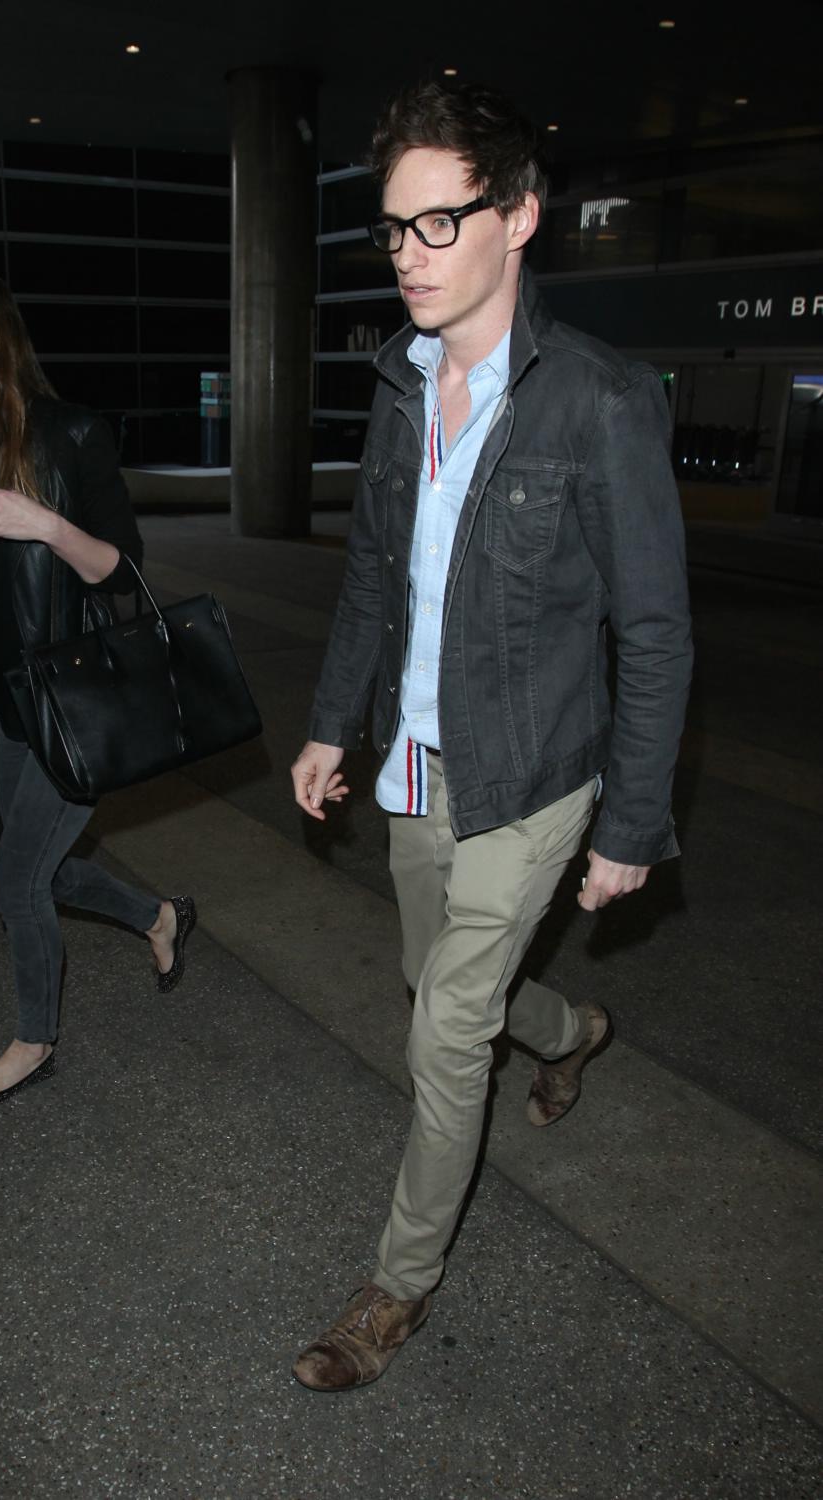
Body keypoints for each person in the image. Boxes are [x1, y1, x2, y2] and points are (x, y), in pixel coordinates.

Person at [290, 82, 692, 1391]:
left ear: (517, 217)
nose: (407, 253)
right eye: (393, 228)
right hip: (416, 764)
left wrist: (631, 823)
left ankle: (393, 1289)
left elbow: (654, 632)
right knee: (439, 985)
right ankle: (571, 1034)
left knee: (445, 1027)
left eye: (438, 222)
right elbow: (371, 577)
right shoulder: (398, 389)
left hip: (533, 774)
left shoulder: (600, 400)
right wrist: (330, 725)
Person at [0, 260, 196, 1109]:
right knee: (41, 869)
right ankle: (160, 916)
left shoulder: (71, 434)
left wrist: (47, 525)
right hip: (5, 705)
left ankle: (35, 1042)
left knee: (16, 880)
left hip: (73, 702)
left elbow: (121, 573)